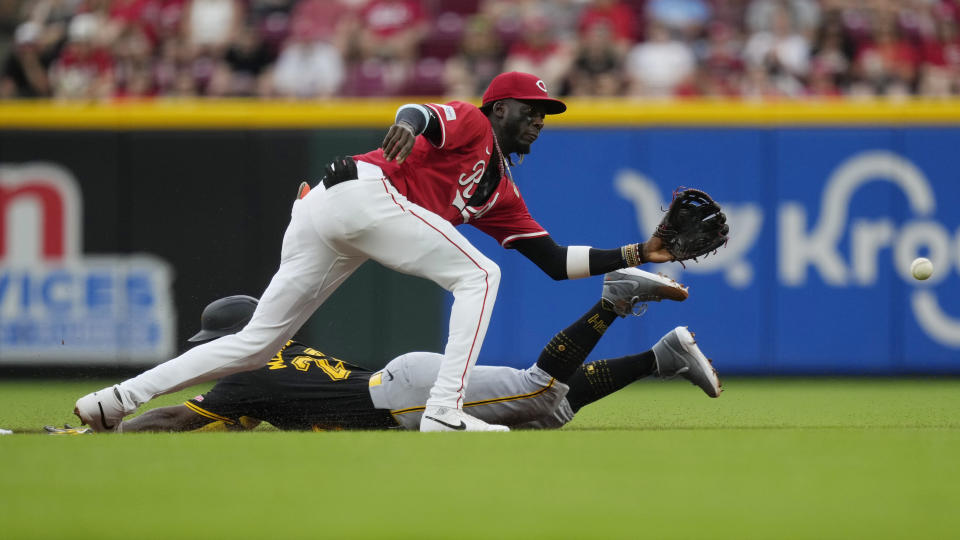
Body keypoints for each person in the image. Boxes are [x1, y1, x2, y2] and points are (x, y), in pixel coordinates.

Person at [74, 70, 678, 434]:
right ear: (500, 108)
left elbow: (552, 260)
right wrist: (409, 126)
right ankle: (444, 411)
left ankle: (112, 401)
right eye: (531, 109)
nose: (539, 120)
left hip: (331, 211)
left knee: (257, 342)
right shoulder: (471, 122)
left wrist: (641, 250)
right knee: (481, 276)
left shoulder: (500, 190)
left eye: (546, 114)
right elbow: (420, 112)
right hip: (361, 195)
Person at [54, 269, 719, 435]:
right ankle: (661, 357)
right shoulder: (274, 364)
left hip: (406, 396)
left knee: (540, 387)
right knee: (548, 407)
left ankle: (613, 299)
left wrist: (110, 429)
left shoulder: (238, 384)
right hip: (400, 385)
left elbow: (174, 418)